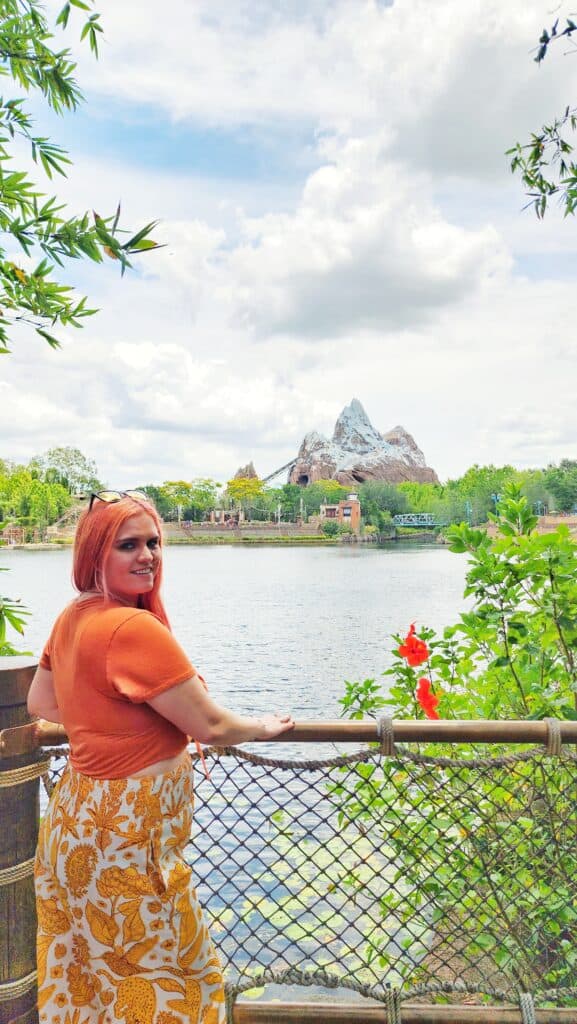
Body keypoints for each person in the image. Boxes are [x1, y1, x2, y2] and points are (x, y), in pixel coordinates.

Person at [27, 490, 294, 1024]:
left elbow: (42, 702)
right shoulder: (133, 629)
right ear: (93, 554)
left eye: (153, 542)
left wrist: (114, 717)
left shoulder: (74, 617)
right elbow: (213, 726)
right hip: (130, 839)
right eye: (128, 545)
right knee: (175, 980)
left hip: (74, 827)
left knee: (90, 979)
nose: (147, 555)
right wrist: (264, 726)